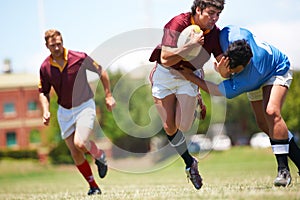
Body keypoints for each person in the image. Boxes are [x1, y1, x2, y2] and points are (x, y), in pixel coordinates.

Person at [176, 25, 300, 187]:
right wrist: (223, 69)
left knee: (271, 113)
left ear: (244, 67)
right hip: (257, 76)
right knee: (264, 124)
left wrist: (190, 76)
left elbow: (216, 89)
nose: (231, 73)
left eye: (234, 71)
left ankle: (283, 170)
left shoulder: (247, 78)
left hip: (276, 70)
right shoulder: (232, 33)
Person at [148, 0, 225, 189]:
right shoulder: (178, 23)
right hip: (165, 73)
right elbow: (165, 58)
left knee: (184, 125)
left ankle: (192, 97)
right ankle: (190, 163)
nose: (214, 18)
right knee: (169, 127)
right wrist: (190, 45)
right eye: (211, 13)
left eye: (218, 15)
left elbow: (223, 66)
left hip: (188, 77)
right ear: (198, 10)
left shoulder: (215, 34)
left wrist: (223, 69)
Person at [38, 29, 116, 195]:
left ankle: (99, 154)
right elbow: (43, 91)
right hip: (64, 111)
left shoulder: (79, 57)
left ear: (63, 42)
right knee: (75, 153)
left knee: (80, 143)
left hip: (84, 105)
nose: (57, 48)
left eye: (59, 44)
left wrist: (108, 95)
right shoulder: (45, 67)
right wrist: (45, 110)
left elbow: (101, 71)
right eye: (53, 45)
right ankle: (93, 187)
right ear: (47, 46)